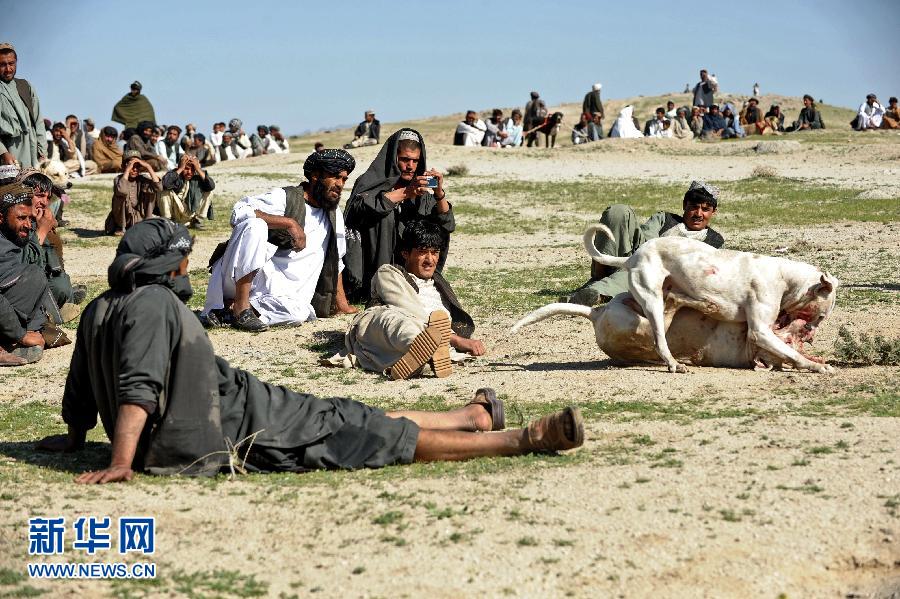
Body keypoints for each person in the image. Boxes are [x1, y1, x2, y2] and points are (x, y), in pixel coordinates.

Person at [35, 218, 583, 482]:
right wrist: (121, 462)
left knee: (348, 415)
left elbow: (82, 383)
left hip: (243, 402)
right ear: (165, 263)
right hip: (243, 422)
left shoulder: (104, 305)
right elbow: (139, 387)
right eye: (183, 260)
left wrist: (77, 435)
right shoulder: (153, 305)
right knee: (368, 436)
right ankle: (522, 439)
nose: (187, 270)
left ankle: (470, 416)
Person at [203, 150, 358, 332]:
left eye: (344, 179)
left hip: (277, 294)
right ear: (315, 176)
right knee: (255, 225)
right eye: (335, 177)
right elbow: (239, 211)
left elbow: (336, 261)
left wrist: (342, 305)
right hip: (240, 278)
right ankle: (240, 305)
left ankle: (232, 311)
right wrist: (289, 223)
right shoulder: (285, 197)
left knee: (299, 313)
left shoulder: (334, 215)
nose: (340, 184)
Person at [343, 221, 485, 380]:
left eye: (435, 252)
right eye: (423, 252)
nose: (430, 260)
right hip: (387, 328)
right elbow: (405, 306)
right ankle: (428, 347)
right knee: (394, 320)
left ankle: (423, 356)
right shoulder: (389, 273)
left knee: (422, 329)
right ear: (405, 253)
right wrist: (456, 339)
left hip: (435, 341)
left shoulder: (440, 285)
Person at [561, 181, 725, 306]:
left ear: (714, 212)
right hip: (636, 259)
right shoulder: (665, 219)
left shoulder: (715, 242)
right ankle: (600, 277)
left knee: (644, 271)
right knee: (618, 211)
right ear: (684, 206)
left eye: (705, 209)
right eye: (694, 207)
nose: (698, 214)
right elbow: (646, 243)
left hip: (663, 280)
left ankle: (595, 293)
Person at [343, 129, 454, 302]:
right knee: (383, 214)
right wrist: (406, 193)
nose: (410, 166)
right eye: (404, 159)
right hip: (374, 262)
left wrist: (439, 193)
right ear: (393, 157)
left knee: (436, 223)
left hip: (408, 259)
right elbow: (359, 210)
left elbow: (447, 224)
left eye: (415, 161)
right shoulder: (370, 181)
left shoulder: (420, 188)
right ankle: (379, 284)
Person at [13, 168, 85, 317]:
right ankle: (55, 308)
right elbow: (21, 265)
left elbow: (55, 262)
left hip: (41, 280)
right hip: (20, 286)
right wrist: (42, 231)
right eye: (39, 196)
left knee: (62, 283)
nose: (44, 202)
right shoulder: (13, 221)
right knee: (60, 288)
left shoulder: (38, 219)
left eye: (47, 197)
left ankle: (66, 296)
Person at [0, 181, 52, 366]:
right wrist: (20, 335)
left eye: (29, 218)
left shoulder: (11, 236)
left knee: (34, 276)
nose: (28, 225)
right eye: (21, 218)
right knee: (34, 276)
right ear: (0, 218)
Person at [0, 42, 47, 168]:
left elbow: (38, 120)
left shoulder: (25, 86)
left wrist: (42, 150)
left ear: (16, 62)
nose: (8, 69)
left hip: (33, 152)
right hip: (10, 154)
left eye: (11, 64)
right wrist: (3, 153)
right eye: (2, 65)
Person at [104, 150, 161, 236]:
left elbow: (159, 188)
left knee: (151, 190)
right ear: (123, 166)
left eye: (137, 166)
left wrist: (148, 167)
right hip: (121, 219)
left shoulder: (142, 179)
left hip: (138, 217)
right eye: (131, 166)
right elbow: (122, 190)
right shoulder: (118, 179)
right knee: (121, 195)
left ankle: (148, 222)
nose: (134, 169)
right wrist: (127, 170)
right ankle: (121, 227)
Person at [159, 154, 215, 229]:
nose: (189, 172)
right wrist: (181, 169)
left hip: (190, 212)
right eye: (186, 169)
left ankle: (197, 221)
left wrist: (198, 169)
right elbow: (165, 183)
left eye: (192, 169)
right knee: (164, 192)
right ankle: (168, 222)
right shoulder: (175, 174)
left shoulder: (198, 176)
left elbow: (211, 186)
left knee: (209, 192)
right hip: (176, 212)